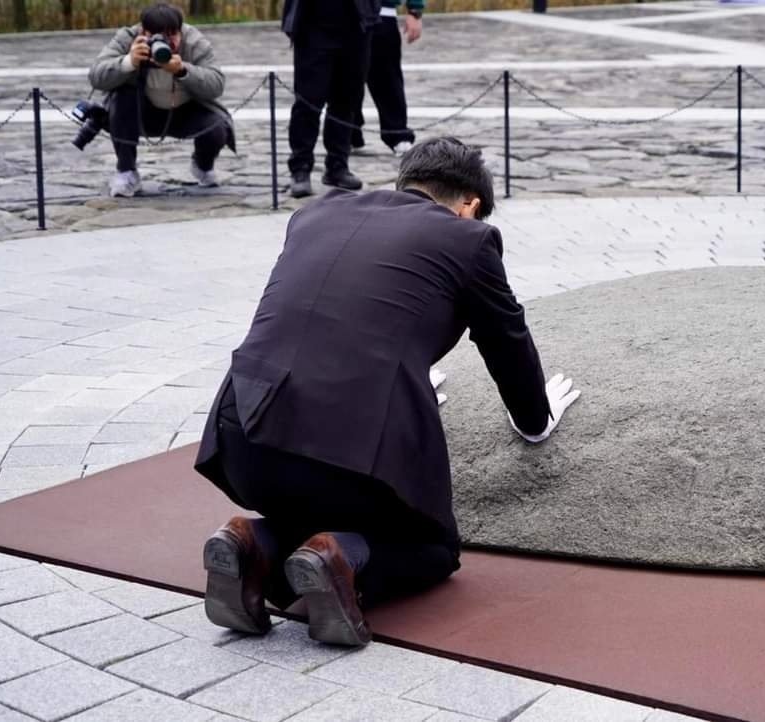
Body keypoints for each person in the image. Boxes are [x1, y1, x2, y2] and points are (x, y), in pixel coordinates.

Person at [194, 137, 581, 647]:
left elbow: (340, 322)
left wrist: (412, 382)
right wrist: (536, 418)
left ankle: (252, 543)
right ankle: (340, 561)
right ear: (470, 204)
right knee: (434, 548)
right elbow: (507, 340)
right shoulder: (470, 241)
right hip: (347, 454)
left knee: (312, 504)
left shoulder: (317, 213)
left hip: (242, 437)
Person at [88, 2, 234, 198]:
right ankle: (126, 171)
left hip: (185, 112)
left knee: (216, 128)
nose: (164, 41)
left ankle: (202, 164)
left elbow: (216, 84)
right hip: (141, 113)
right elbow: (96, 76)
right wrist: (128, 62)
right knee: (122, 99)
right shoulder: (128, 38)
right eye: (155, 35)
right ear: (142, 30)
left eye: (171, 35)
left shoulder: (194, 42)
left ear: (181, 31)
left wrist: (183, 70)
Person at [281, 0, 380, 198]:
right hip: (312, 27)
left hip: (356, 24)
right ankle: (300, 168)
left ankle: (338, 166)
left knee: (347, 100)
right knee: (308, 102)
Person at [349, 0, 424, 157]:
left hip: (382, 12)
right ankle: (348, 131)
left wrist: (415, 10)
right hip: (340, 12)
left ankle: (397, 134)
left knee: (387, 78)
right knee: (345, 77)